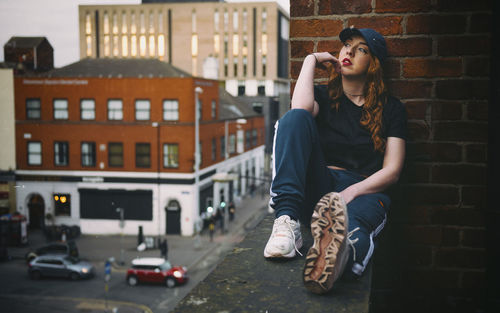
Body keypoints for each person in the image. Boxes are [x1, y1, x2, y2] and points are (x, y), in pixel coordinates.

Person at [263, 27, 407, 294]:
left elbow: (393, 170)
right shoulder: (323, 96)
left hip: (365, 191)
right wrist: (310, 60)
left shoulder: (392, 109)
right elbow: (300, 113)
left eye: (361, 49)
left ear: (373, 63)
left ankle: (339, 260)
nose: (348, 51)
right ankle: (286, 221)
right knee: (292, 118)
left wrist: (350, 192)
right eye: (346, 45)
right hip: (321, 185)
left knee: (353, 231)